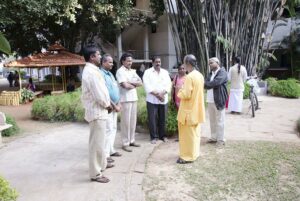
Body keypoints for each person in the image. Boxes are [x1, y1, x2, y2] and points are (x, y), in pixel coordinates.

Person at [81, 45, 113, 183]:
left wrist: (108, 105)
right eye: (99, 55)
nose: (101, 57)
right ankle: (95, 174)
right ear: (92, 57)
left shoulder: (93, 70)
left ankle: (102, 164)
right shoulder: (91, 72)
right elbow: (99, 94)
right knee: (96, 144)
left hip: (99, 111)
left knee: (100, 141)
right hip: (97, 111)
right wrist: (107, 105)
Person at [176, 54, 205, 164]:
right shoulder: (199, 75)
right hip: (196, 109)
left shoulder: (189, 77)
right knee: (195, 134)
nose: (183, 65)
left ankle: (187, 156)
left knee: (187, 135)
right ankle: (194, 154)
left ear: (187, 64)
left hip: (188, 110)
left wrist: (179, 90)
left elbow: (186, 94)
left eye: (184, 63)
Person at [116, 53, 143, 152]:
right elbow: (124, 85)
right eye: (128, 61)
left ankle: (132, 140)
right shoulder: (120, 71)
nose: (130, 63)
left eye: (131, 61)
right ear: (123, 61)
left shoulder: (133, 71)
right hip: (125, 99)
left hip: (133, 98)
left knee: (133, 121)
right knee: (125, 122)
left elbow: (140, 82)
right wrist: (133, 84)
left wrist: (130, 83)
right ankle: (125, 143)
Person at [143, 56, 172, 144]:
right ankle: (154, 137)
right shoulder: (147, 72)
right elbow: (147, 86)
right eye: (156, 62)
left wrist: (162, 94)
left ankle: (162, 136)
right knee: (152, 119)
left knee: (163, 118)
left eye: (159, 62)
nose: (158, 63)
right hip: (152, 100)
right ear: (152, 63)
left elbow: (168, 84)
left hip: (163, 99)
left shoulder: (165, 72)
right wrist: (157, 95)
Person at [100, 54, 122, 164]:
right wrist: (114, 105)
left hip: (115, 106)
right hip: (108, 107)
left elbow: (116, 89)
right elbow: (106, 94)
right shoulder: (101, 74)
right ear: (103, 62)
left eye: (112, 62)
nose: (112, 64)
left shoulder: (110, 75)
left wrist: (119, 103)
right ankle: (105, 155)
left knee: (113, 128)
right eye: (110, 62)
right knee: (108, 130)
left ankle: (111, 150)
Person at [204, 57, 228, 148]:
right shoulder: (211, 73)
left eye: (211, 62)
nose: (209, 64)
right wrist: (208, 84)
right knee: (212, 120)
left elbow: (215, 83)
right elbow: (206, 83)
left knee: (220, 121)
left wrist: (207, 84)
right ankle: (214, 137)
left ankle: (221, 140)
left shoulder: (222, 72)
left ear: (217, 63)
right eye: (209, 63)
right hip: (210, 100)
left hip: (219, 100)